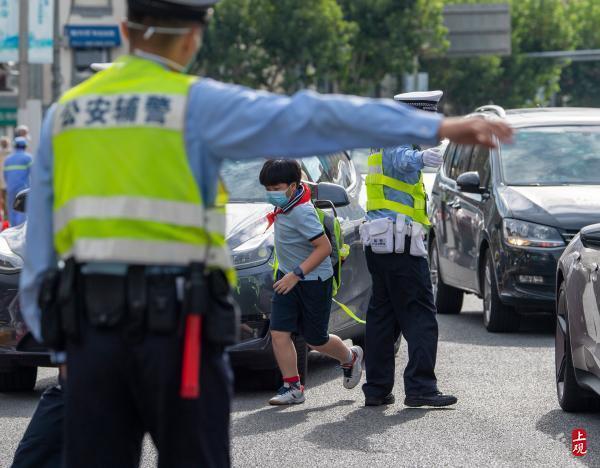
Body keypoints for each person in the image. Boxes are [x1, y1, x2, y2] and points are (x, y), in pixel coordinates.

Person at [19, 0, 512, 465]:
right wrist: (439, 127)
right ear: (195, 37)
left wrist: (65, 348)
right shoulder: (196, 104)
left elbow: (39, 247)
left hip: (91, 336)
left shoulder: (67, 113)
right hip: (179, 335)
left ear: (125, 31)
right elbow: (310, 115)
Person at [360, 90, 458, 408]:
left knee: (383, 317)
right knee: (420, 315)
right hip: (399, 244)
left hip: (383, 243)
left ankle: (376, 388)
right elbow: (402, 160)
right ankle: (420, 387)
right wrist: (421, 159)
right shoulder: (397, 138)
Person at [260, 159, 363, 405]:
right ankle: (292, 387)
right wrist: (289, 275)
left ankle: (349, 358)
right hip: (287, 278)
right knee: (279, 333)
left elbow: (324, 247)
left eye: (277, 188)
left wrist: (296, 274)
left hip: (312, 280)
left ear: (293, 186)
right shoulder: (285, 208)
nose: (272, 194)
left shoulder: (301, 212)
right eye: (268, 189)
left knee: (315, 339)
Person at [4, 136, 32, 226]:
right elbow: (34, 174)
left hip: (10, 188)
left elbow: (5, 175)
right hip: (23, 189)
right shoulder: (28, 158)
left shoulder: (8, 159)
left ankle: (12, 229)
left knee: (12, 209)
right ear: (25, 146)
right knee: (22, 210)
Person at [0, 136, 11, 219]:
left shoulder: (11, 153)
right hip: (3, 179)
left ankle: (8, 215)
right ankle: (5, 215)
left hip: (9, 179)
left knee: (8, 198)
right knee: (3, 199)